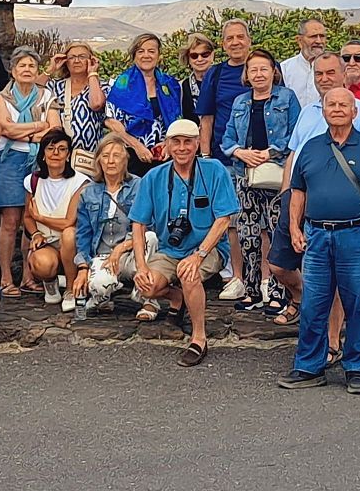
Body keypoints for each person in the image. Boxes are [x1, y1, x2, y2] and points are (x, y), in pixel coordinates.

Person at [278, 88, 360, 394]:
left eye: (344, 105)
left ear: (355, 112)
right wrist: (294, 228)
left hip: (357, 235)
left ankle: (355, 369)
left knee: (358, 304)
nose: (338, 109)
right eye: (332, 104)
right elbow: (298, 191)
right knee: (313, 304)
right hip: (316, 236)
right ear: (324, 110)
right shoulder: (310, 147)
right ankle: (309, 367)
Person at [267, 51, 360, 334]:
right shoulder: (308, 111)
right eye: (319, 73)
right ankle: (303, 298)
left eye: (331, 72)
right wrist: (286, 193)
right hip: (298, 196)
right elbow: (293, 154)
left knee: (335, 277)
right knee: (278, 265)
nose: (324, 78)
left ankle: (331, 339)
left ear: (343, 74)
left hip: (336, 207)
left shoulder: (358, 110)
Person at [130, 119, 239, 367]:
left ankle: (199, 337)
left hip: (208, 247)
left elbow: (224, 219)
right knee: (147, 286)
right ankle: (177, 297)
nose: (182, 148)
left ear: (197, 144)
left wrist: (199, 255)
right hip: (170, 249)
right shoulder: (154, 177)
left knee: (189, 274)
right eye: (176, 142)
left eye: (188, 142)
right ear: (167, 145)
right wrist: (141, 266)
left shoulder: (214, 170)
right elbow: (138, 223)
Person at [221, 48, 301, 311]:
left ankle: (279, 292)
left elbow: (295, 134)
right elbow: (227, 138)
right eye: (253, 69)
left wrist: (270, 152)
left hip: (277, 174)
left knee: (278, 233)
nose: (258, 74)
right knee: (249, 234)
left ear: (273, 71)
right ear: (246, 74)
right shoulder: (240, 102)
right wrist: (240, 152)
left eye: (263, 69)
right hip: (246, 175)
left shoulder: (287, 97)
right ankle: (252, 290)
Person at [196, 18, 253, 301]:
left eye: (240, 37)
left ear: (249, 40)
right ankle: (235, 275)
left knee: (261, 221)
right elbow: (206, 118)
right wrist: (206, 157)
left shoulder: (263, 67)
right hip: (224, 158)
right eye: (230, 38)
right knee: (230, 218)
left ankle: (262, 277)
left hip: (261, 159)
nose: (235, 42)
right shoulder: (215, 74)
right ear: (223, 44)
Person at [0, 46, 54, 296]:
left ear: (37, 71)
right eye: (22, 65)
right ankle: (6, 278)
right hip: (9, 161)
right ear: (13, 70)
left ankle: (29, 275)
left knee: (32, 219)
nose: (27, 70)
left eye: (31, 66)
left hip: (38, 161)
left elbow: (54, 129)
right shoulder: (1, 98)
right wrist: (38, 127)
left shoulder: (46, 96)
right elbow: (6, 129)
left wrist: (22, 131)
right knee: (10, 220)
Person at [73, 133, 144, 317]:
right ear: (98, 161)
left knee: (150, 239)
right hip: (103, 256)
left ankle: (145, 294)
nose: (110, 161)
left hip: (132, 253)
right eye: (105, 156)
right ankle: (104, 295)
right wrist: (82, 267)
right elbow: (83, 234)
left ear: (125, 160)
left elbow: (147, 226)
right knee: (98, 286)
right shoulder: (88, 192)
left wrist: (121, 248)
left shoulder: (139, 186)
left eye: (116, 155)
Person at [22, 129, 89, 312]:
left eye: (62, 149)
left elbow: (69, 221)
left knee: (68, 234)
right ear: (43, 154)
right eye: (50, 149)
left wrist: (40, 218)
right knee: (42, 263)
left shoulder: (79, 182)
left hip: (72, 242)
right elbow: (27, 217)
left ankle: (70, 289)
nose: (56, 153)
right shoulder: (33, 181)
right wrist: (35, 233)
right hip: (46, 242)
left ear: (68, 154)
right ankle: (50, 282)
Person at [103, 32, 182, 178]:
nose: (146, 55)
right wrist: (138, 147)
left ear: (159, 55)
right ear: (134, 55)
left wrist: (168, 143)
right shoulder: (120, 84)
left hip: (164, 157)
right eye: (141, 51)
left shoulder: (170, 85)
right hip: (131, 156)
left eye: (151, 51)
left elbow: (177, 121)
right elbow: (111, 121)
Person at [45, 41, 107, 161]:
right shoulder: (55, 86)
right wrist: (50, 69)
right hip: (58, 156)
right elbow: (33, 91)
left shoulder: (101, 86)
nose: (76, 61)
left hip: (89, 157)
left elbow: (96, 104)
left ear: (91, 60)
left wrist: (92, 73)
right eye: (72, 57)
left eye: (82, 57)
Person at [279, 18, 330, 109]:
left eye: (322, 36)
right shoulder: (285, 69)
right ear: (299, 40)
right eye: (313, 36)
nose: (319, 41)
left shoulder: (334, 67)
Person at [178, 32, 215, 122]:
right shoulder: (181, 87)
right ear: (188, 59)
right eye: (194, 56)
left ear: (212, 55)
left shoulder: (222, 81)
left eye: (205, 54)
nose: (200, 59)